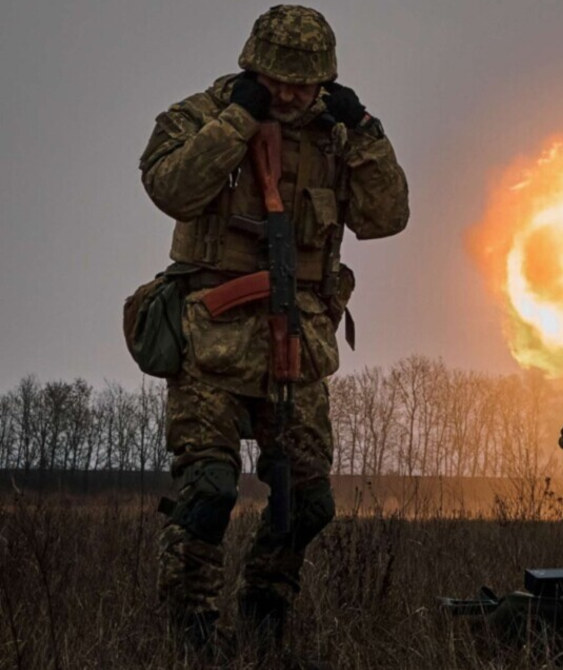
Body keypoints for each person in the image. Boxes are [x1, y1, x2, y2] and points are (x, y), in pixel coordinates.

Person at [137, 5, 409, 653]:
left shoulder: (338, 135)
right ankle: (193, 633)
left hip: (299, 345)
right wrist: (238, 120)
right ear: (253, 67)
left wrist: (365, 132)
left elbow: (386, 217)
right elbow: (172, 189)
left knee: (308, 503)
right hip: (212, 343)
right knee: (208, 492)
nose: (290, 94)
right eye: (278, 81)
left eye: (304, 83)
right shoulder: (202, 116)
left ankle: (265, 615)